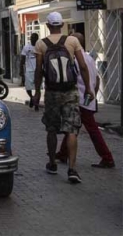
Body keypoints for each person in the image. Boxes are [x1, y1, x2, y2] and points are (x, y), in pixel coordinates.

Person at [34, 12, 94, 184]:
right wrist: (88, 88)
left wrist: (37, 92)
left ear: (48, 26)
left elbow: (39, 71)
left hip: (52, 93)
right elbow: (82, 66)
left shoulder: (40, 44)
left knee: (51, 129)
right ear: (61, 25)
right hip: (70, 91)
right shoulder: (73, 41)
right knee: (71, 129)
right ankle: (72, 169)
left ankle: (52, 163)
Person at [56, 33, 115, 169]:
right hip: (87, 99)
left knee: (90, 129)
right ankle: (63, 153)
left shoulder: (76, 60)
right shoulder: (89, 58)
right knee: (73, 128)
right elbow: (97, 79)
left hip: (80, 99)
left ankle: (107, 157)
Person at [20, 33, 39, 110]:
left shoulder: (39, 47)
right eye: (31, 38)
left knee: (38, 88)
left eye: (34, 38)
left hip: (38, 70)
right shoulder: (26, 47)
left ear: (37, 39)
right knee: (28, 88)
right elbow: (22, 59)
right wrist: (21, 70)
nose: (32, 39)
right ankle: (32, 97)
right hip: (29, 70)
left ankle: (36, 104)